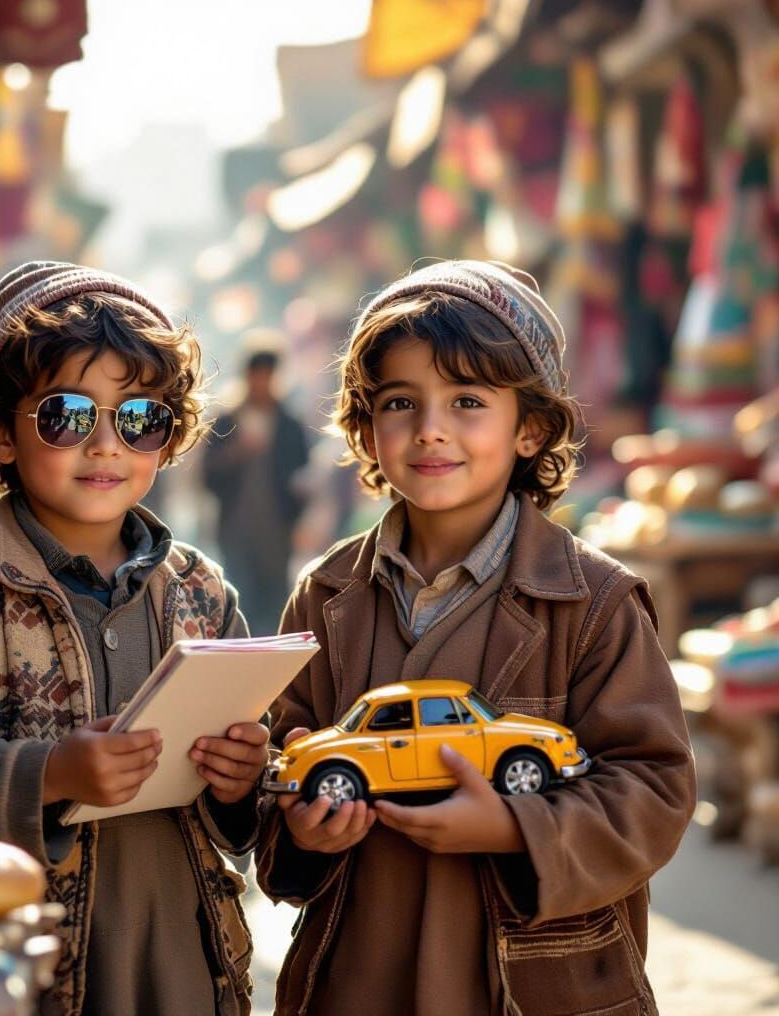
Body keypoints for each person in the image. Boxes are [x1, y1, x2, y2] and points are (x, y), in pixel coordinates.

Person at [256, 260, 696, 1016]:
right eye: (401, 402)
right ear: (365, 429)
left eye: (467, 400)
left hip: (534, 984)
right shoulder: (327, 597)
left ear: (530, 428)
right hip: (360, 976)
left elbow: (654, 786)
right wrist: (301, 829)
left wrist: (520, 825)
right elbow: (281, 759)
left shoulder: (592, 602)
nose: (431, 429)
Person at [0, 262, 269, 1016]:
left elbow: (249, 804)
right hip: (23, 976)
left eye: (140, 417)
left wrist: (245, 778)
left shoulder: (205, 595)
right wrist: (48, 776)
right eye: (67, 416)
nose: (107, 444)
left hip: (184, 964)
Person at [203, 335, 309, 635]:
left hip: (277, 526)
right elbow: (207, 476)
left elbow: (303, 475)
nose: (262, 382)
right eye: (257, 375)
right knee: (239, 595)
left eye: (268, 376)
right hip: (235, 525)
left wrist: (302, 515)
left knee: (276, 597)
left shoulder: (289, 423)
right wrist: (237, 453)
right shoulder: (227, 421)